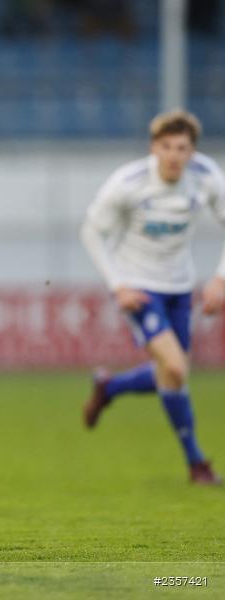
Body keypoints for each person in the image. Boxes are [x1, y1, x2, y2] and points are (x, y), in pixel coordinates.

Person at [81, 109, 225, 485]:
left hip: (180, 287)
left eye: (182, 147)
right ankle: (196, 462)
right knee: (176, 370)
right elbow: (92, 232)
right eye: (167, 147)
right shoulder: (128, 182)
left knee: (171, 373)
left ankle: (109, 387)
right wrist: (118, 286)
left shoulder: (206, 177)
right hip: (139, 289)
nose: (174, 155)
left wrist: (220, 279)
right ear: (153, 148)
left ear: (193, 151)